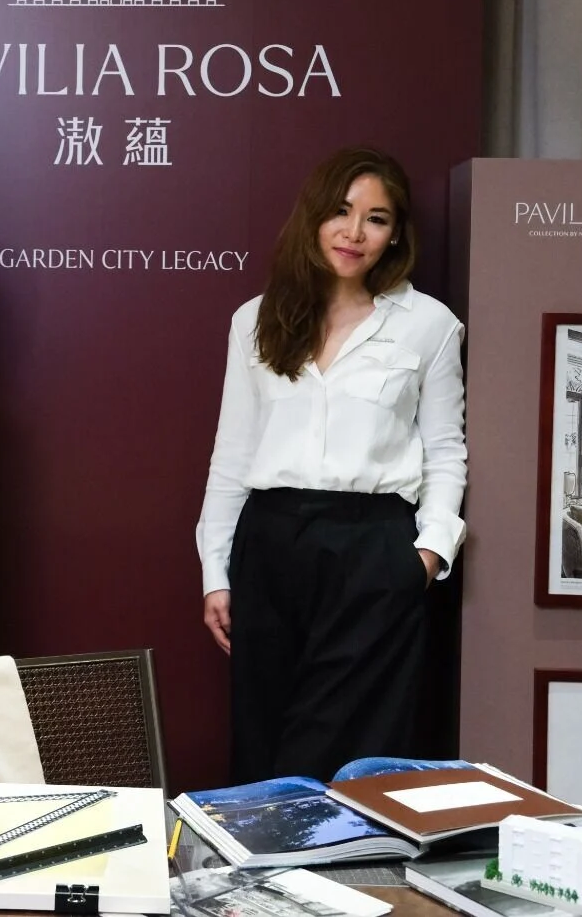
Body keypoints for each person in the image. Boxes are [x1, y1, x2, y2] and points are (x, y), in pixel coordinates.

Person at [195, 146, 467, 784]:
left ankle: (343, 854)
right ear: (313, 217)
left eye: (376, 218)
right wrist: (214, 571)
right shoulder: (255, 320)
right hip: (270, 544)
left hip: (374, 548)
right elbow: (232, 453)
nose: (354, 232)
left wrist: (428, 554)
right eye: (341, 212)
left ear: (395, 233)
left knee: (349, 752)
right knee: (265, 739)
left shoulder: (429, 325)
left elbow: (446, 450)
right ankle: (265, 852)